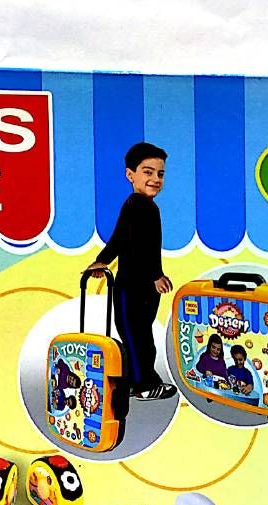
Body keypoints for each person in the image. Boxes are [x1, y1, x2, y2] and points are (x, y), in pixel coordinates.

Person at [85, 141, 176, 401]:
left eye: (160, 174)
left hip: (145, 286)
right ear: (130, 175)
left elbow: (148, 246)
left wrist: (155, 275)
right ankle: (142, 384)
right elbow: (123, 240)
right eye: (148, 172)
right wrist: (102, 261)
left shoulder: (147, 206)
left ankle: (145, 379)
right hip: (133, 285)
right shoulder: (136, 204)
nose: (155, 179)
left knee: (142, 336)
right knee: (136, 337)